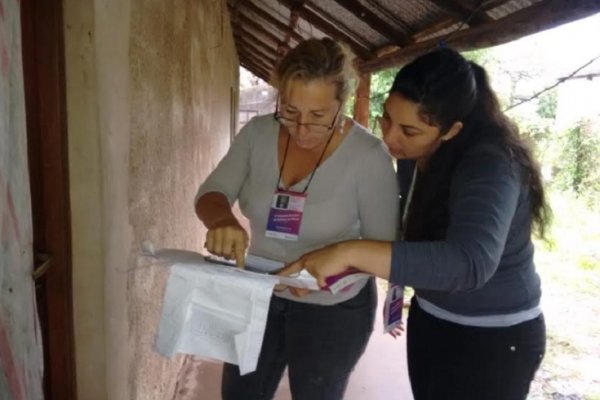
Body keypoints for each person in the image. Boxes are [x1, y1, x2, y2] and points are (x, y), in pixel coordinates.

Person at [281, 48, 549, 400]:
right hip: (431, 318)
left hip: (494, 338)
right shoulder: (416, 155)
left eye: (409, 130)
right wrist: (333, 273)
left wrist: (348, 253)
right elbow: (409, 244)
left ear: (452, 130)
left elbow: (470, 263)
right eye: (387, 119)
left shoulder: (492, 164)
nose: (390, 139)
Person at [194, 37, 398, 400]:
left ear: (342, 102)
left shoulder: (369, 157)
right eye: (289, 111)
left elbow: (384, 249)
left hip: (333, 309)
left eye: (318, 116)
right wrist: (222, 220)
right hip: (259, 292)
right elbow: (212, 194)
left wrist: (329, 274)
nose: (301, 129)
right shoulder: (257, 134)